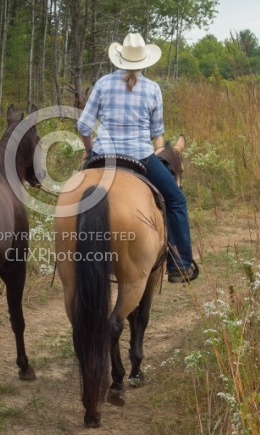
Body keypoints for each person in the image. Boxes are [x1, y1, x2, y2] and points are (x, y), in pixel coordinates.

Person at [76, 31, 198, 283]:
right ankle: (180, 264)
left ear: (119, 58)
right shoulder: (153, 89)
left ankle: (63, 256)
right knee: (176, 201)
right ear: (144, 61)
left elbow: (83, 127)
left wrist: (89, 150)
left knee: (70, 199)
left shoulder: (102, 83)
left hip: (102, 157)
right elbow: (157, 134)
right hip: (140, 159)